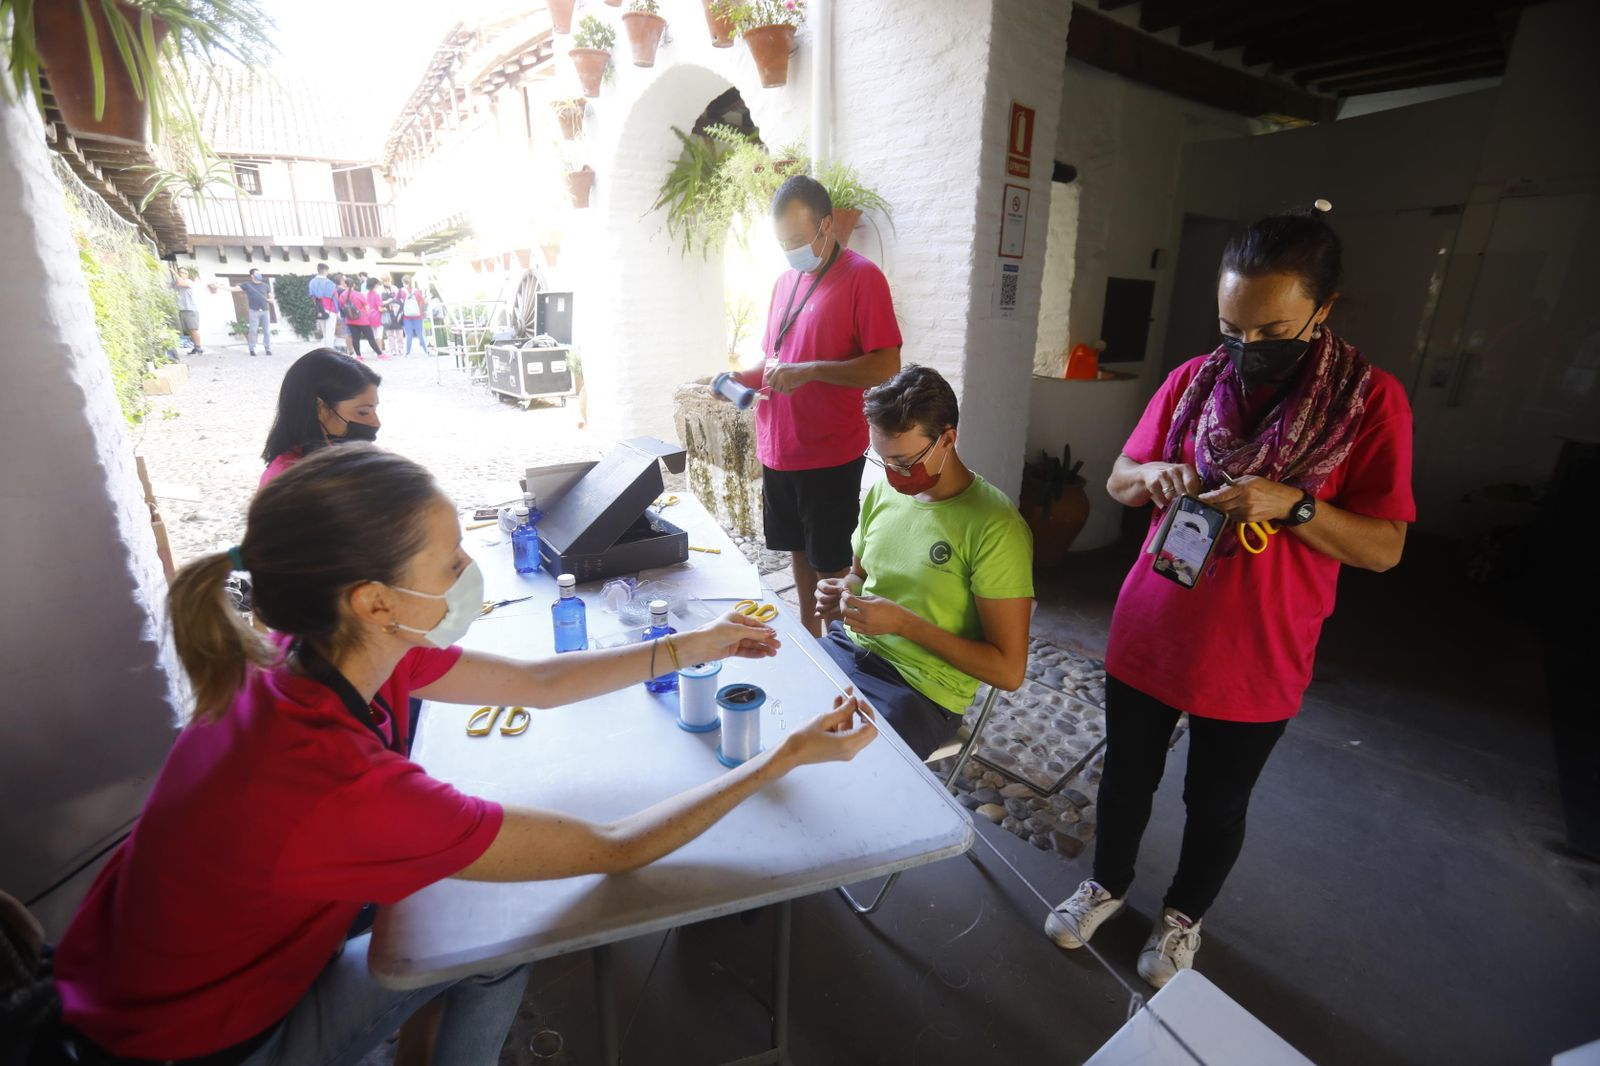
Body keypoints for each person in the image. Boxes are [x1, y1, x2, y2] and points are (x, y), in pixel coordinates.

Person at [50, 445, 876, 1066]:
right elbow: (618, 850)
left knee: (451, 906)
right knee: (497, 937)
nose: (470, 574)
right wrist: (780, 760)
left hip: (125, 978)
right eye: (449, 563)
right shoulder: (340, 785)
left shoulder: (321, 658)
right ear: (375, 601)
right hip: (186, 1046)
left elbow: (537, 684)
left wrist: (698, 640)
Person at [1043, 204, 1415, 989]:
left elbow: (1384, 547)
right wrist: (1154, 477)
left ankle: (1183, 916)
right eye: (1231, 328)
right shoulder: (1191, 382)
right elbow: (1120, 478)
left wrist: (1297, 505)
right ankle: (1106, 883)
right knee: (1125, 779)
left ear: (1323, 308)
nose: (1247, 351)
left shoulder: (1369, 404)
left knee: (1217, 803)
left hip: (1257, 651)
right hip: (1153, 628)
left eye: (1272, 332)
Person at [814, 365, 1033, 758]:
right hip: (848, 649)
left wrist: (903, 624)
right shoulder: (885, 491)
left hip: (919, 691)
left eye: (904, 462)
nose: (895, 477)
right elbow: (859, 574)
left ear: (947, 439)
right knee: (768, 710)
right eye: (883, 460)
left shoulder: (996, 528)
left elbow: (1008, 671)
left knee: (838, 772)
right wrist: (843, 591)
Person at [726, 174, 902, 637]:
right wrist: (735, 378)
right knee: (798, 552)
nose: (791, 250)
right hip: (779, 447)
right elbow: (775, 359)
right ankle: (810, 636)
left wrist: (811, 371)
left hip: (828, 450)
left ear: (826, 225)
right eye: (782, 241)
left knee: (831, 562)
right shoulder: (785, 282)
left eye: (798, 239)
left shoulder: (862, 277)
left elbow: (886, 364)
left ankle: (842, 651)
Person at [260, 348, 381, 487]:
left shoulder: (341, 459)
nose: (376, 423)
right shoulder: (289, 482)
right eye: (363, 412)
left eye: (375, 410)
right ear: (320, 408)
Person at [231, 267, 276, 357]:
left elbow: (271, 296)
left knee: (266, 331)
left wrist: (271, 299)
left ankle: (268, 349)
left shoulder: (265, 285)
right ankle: (252, 349)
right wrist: (219, 286)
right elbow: (234, 289)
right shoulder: (247, 285)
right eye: (257, 273)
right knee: (253, 330)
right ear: (252, 275)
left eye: (259, 273)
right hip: (254, 311)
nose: (259, 275)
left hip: (265, 311)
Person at [341, 277, 383, 359]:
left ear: (345, 285)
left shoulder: (342, 295)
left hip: (350, 320)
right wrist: (367, 316)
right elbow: (367, 307)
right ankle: (380, 354)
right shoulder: (358, 294)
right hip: (362, 320)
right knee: (371, 338)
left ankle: (359, 355)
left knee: (355, 338)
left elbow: (342, 307)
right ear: (354, 285)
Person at [172, 266, 204, 355]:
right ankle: (195, 347)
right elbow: (169, 285)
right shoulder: (178, 282)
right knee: (189, 330)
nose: (180, 274)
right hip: (183, 309)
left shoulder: (189, 282)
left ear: (187, 274)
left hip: (191, 309)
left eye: (183, 272)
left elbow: (182, 283)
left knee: (193, 329)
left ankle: (199, 347)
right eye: (179, 272)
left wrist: (174, 273)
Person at [307, 262, 338, 349]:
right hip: (331, 309)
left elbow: (312, 297)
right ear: (325, 271)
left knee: (324, 332)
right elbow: (335, 297)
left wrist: (317, 307)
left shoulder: (312, 282)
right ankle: (329, 352)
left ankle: (324, 351)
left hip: (319, 309)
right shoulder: (330, 283)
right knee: (330, 333)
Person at [399, 274, 430, 355]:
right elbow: (422, 302)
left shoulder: (401, 291)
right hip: (417, 316)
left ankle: (407, 353)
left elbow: (397, 301)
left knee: (409, 335)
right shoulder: (416, 291)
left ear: (403, 282)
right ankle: (426, 352)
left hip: (407, 316)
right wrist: (419, 311)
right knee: (420, 334)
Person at [380, 276, 403, 355]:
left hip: (396, 312)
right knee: (389, 333)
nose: (387, 282)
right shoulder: (380, 289)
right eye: (385, 281)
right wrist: (386, 302)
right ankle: (392, 349)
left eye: (388, 280)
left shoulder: (395, 288)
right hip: (386, 312)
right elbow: (379, 301)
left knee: (399, 332)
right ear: (382, 281)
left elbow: (400, 299)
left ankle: (401, 348)